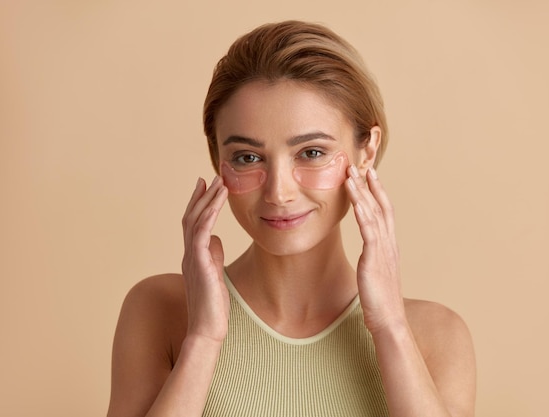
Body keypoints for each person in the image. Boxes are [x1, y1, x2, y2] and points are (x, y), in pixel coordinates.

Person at [107, 20, 476, 417]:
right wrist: (203, 338)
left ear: (366, 151)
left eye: (312, 152)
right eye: (247, 158)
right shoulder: (160, 310)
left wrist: (389, 327)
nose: (278, 191)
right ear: (218, 159)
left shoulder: (437, 336)